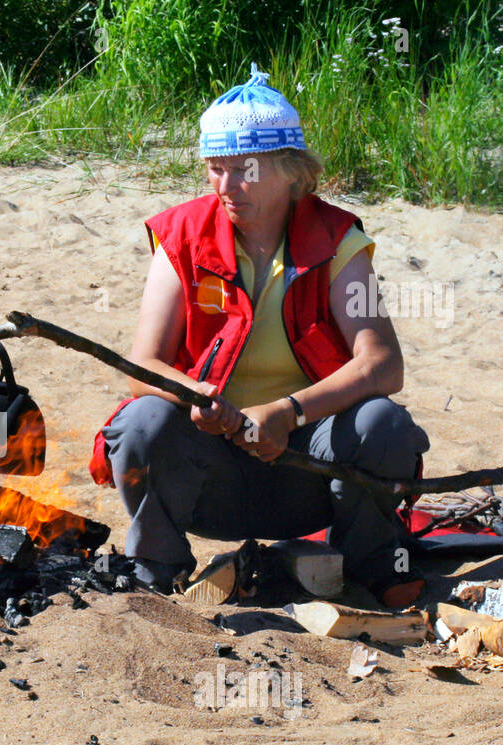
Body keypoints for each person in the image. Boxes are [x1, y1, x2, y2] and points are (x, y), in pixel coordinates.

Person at [89, 65, 430, 608]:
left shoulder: (338, 241)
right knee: (141, 421)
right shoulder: (180, 237)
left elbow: (383, 365)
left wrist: (288, 411)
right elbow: (143, 365)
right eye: (214, 169)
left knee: (383, 423)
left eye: (243, 170)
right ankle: (157, 567)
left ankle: (369, 568)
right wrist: (194, 396)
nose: (226, 188)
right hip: (210, 475)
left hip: (308, 473)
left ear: (293, 172)